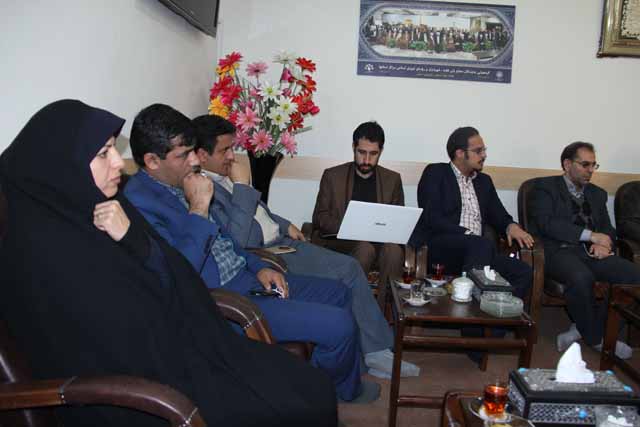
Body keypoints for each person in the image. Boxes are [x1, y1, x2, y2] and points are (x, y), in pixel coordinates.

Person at [0, 99, 338, 427]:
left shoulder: (104, 205)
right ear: (64, 166)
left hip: (173, 346)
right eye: (104, 153)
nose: (118, 163)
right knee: (292, 401)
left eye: (114, 150)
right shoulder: (38, 247)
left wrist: (131, 239)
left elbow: (171, 272)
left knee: (308, 385)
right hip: (135, 390)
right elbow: (107, 332)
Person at [123, 104, 376, 403]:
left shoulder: (181, 181)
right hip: (223, 299)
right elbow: (180, 272)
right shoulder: (139, 205)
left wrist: (258, 266)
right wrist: (199, 209)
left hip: (247, 278)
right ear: (152, 160)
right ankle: (341, 393)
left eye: (193, 151)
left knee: (338, 293)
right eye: (184, 155)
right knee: (339, 325)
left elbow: (229, 240)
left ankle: (320, 382)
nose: (194, 161)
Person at [191, 114, 419, 379]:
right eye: (225, 150)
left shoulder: (224, 176)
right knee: (350, 268)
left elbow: (260, 212)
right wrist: (242, 186)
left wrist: (284, 223)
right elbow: (237, 239)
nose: (233, 156)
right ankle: (377, 351)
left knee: (354, 268)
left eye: (232, 147)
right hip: (266, 252)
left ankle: (370, 346)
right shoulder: (203, 190)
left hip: (284, 241)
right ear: (202, 155)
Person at [411, 126, 533, 364]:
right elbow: (431, 217)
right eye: (478, 151)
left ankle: (487, 335)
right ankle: (472, 329)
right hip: (444, 248)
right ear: (460, 153)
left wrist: (511, 226)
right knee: (480, 245)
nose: (484, 155)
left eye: (483, 150)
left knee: (523, 272)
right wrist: (467, 233)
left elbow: (499, 214)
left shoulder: (484, 182)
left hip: (478, 252)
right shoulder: (436, 173)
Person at [529, 142, 640, 358]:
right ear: (567, 164)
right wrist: (591, 236)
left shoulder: (597, 194)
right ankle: (597, 339)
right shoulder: (545, 187)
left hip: (593, 253)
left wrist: (605, 243)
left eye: (593, 165)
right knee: (581, 277)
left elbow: (607, 228)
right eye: (585, 164)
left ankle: (588, 329)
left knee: (633, 276)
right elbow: (547, 224)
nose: (590, 170)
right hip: (558, 251)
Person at [312, 121, 405, 289]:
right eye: (362, 152)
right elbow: (320, 217)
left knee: (394, 251)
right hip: (341, 243)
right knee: (365, 248)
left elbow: (397, 222)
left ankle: (384, 305)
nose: (367, 160)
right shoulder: (333, 176)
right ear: (353, 147)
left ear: (381, 151)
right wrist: (350, 228)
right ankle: (353, 302)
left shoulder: (392, 180)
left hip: (380, 244)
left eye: (373, 154)